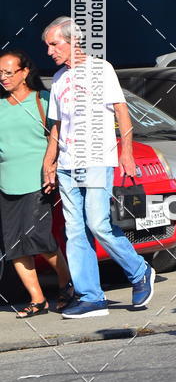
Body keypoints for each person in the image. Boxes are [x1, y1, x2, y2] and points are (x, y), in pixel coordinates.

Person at [41, 17, 155, 318]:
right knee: (75, 231)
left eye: (54, 44)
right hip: (67, 164)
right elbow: (57, 126)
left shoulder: (101, 70)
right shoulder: (58, 80)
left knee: (98, 224)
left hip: (97, 160)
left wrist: (126, 153)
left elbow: (122, 111)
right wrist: (49, 161)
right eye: (48, 46)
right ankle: (91, 297)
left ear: (72, 41)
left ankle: (140, 270)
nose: (50, 51)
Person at [0, 50, 73, 318]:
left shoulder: (42, 100)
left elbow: (58, 138)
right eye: (0, 73)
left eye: (9, 72)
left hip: (37, 180)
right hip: (6, 182)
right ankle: (38, 298)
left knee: (37, 237)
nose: (3, 78)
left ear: (24, 72)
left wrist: (51, 168)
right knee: (13, 244)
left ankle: (67, 283)